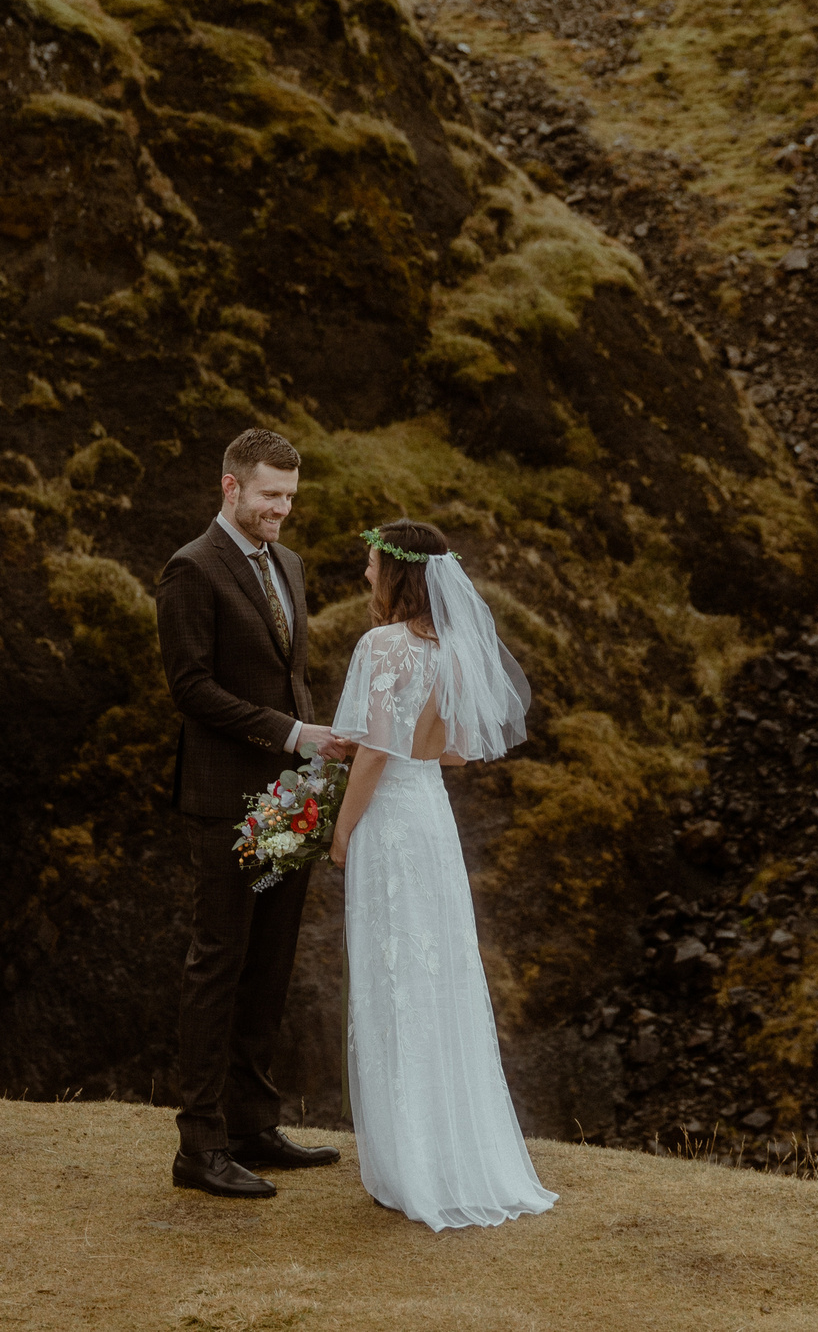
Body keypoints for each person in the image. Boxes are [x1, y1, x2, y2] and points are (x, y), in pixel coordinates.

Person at [328, 516, 557, 1231]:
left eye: (371, 564)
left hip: (390, 823)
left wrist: (341, 828)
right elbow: (456, 750)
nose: (365, 574)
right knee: (439, 975)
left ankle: (409, 1162)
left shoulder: (382, 646)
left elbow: (371, 753)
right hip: (431, 819)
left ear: (395, 573)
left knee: (394, 976)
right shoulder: (453, 651)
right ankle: (451, 1153)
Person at [155, 427, 354, 1198]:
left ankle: (251, 1123)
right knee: (219, 964)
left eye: (291, 498)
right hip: (224, 799)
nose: (282, 510)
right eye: (271, 495)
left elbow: (289, 674)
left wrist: (312, 759)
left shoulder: (291, 565)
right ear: (232, 487)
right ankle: (198, 1146)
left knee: (270, 965)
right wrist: (295, 733)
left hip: (287, 798)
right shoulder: (189, 569)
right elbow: (190, 689)